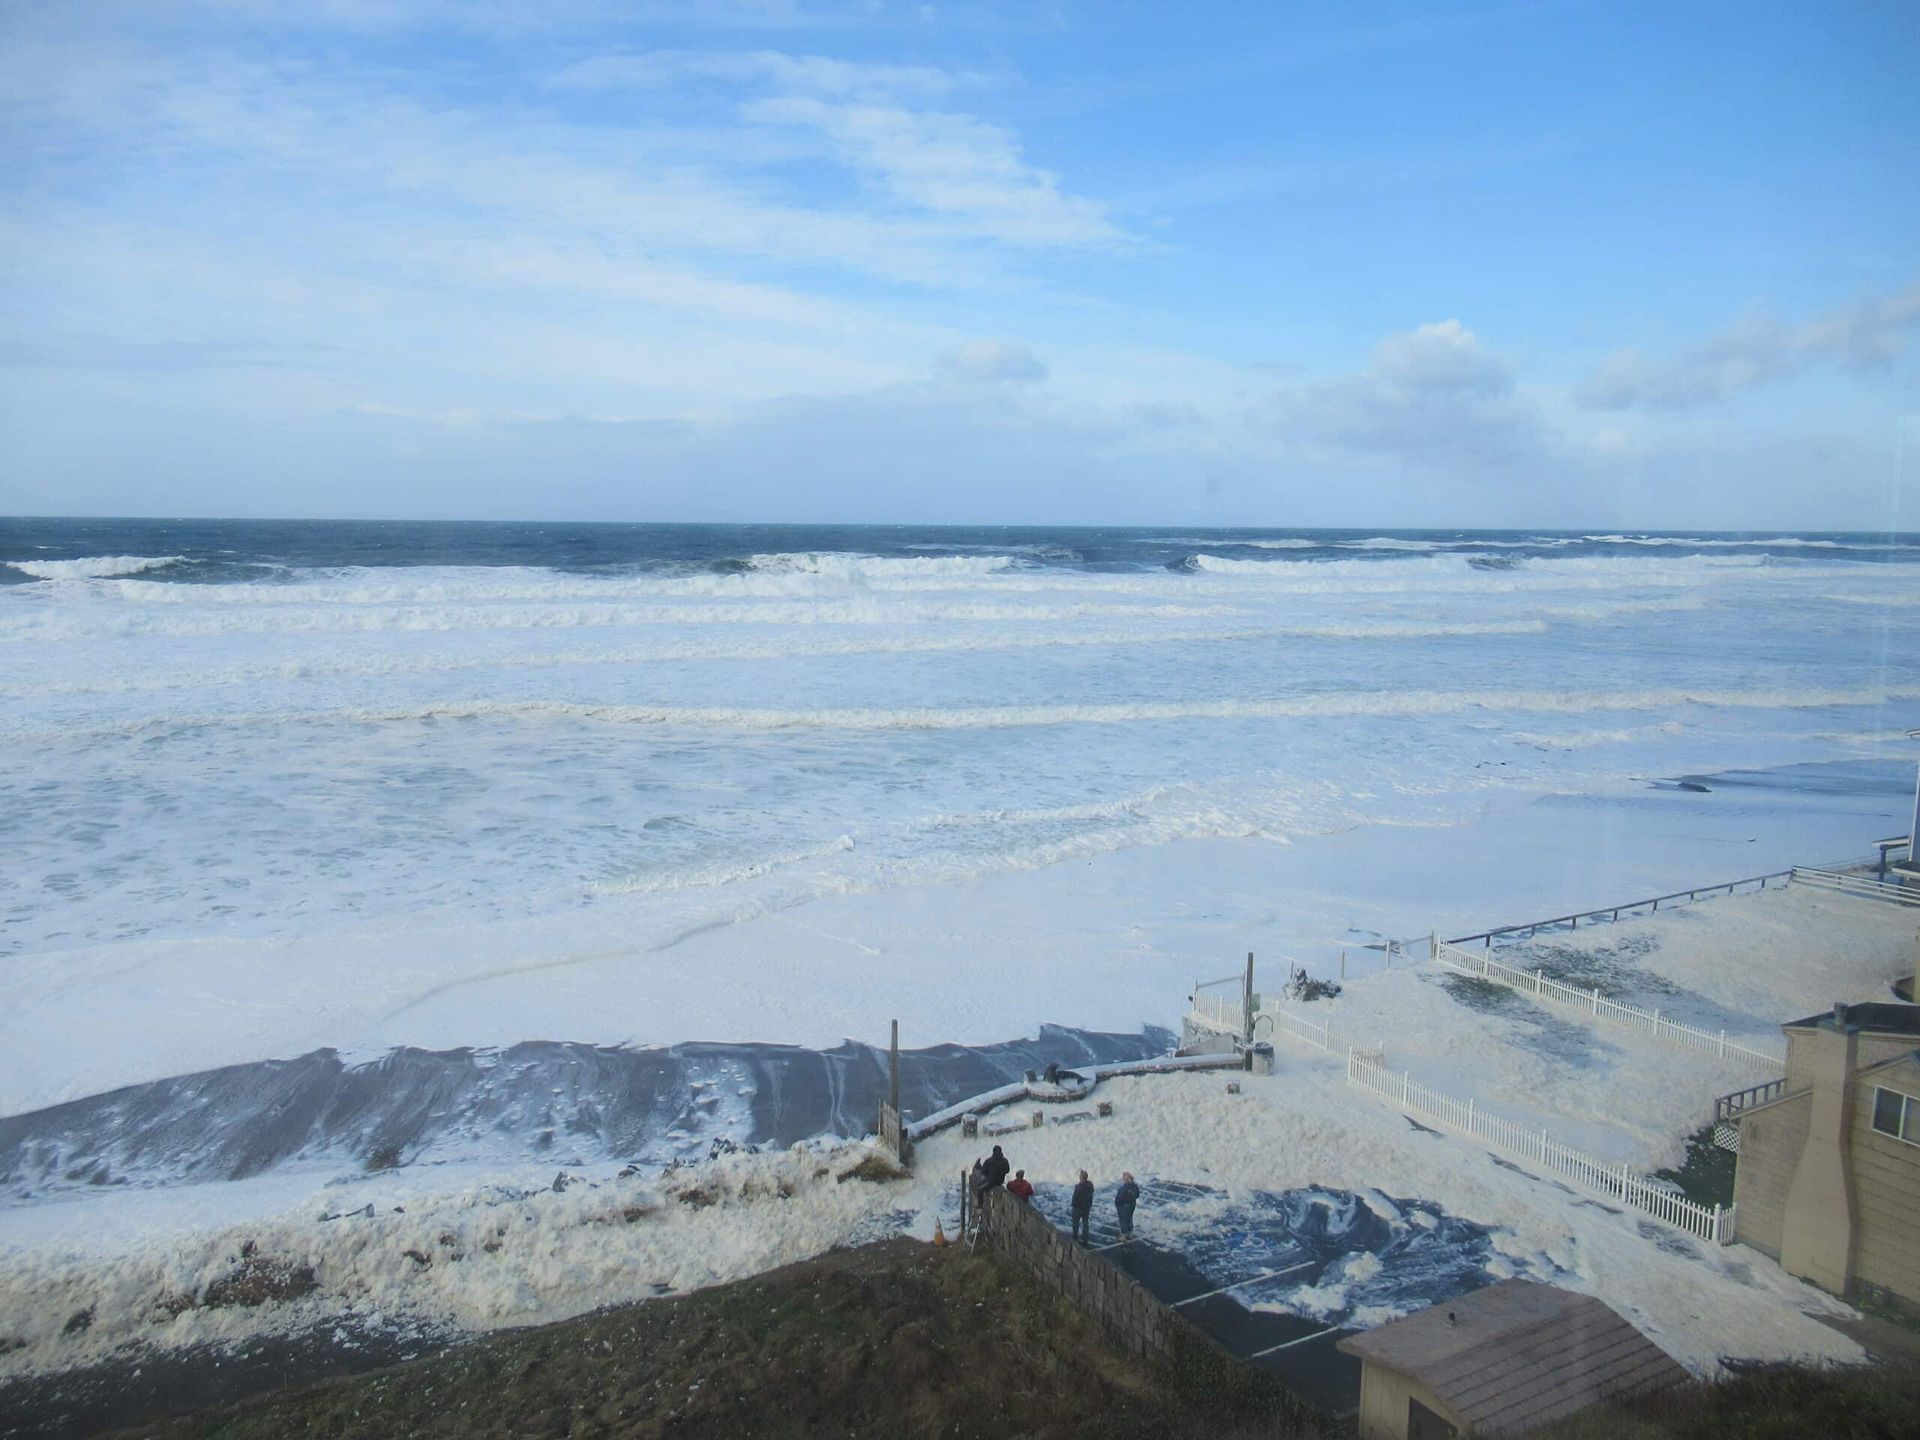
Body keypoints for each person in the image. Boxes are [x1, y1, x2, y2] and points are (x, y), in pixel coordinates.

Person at [1114, 1171, 1140, 1240]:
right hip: (1132, 1205)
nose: (1123, 1179)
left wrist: (1117, 1204)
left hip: (1123, 1206)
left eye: (1123, 1178)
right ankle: (1130, 1233)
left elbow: (1119, 1198)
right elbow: (1137, 1195)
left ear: (1126, 1179)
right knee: (1129, 1219)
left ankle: (1123, 1235)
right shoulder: (1135, 1186)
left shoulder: (1123, 1188)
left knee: (1123, 1220)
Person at [1070, 1170, 1094, 1242]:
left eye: (1080, 1176)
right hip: (1087, 1207)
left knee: (1075, 1223)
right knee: (1085, 1223)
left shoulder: (1079, 1187)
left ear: (1081, 1177)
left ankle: (1075, 1238)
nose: (1079, 1177)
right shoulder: (1090, 1185)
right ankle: (1085, 1238)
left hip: (1078, 1207)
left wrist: (1073, 1205)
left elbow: (1075, 1197)